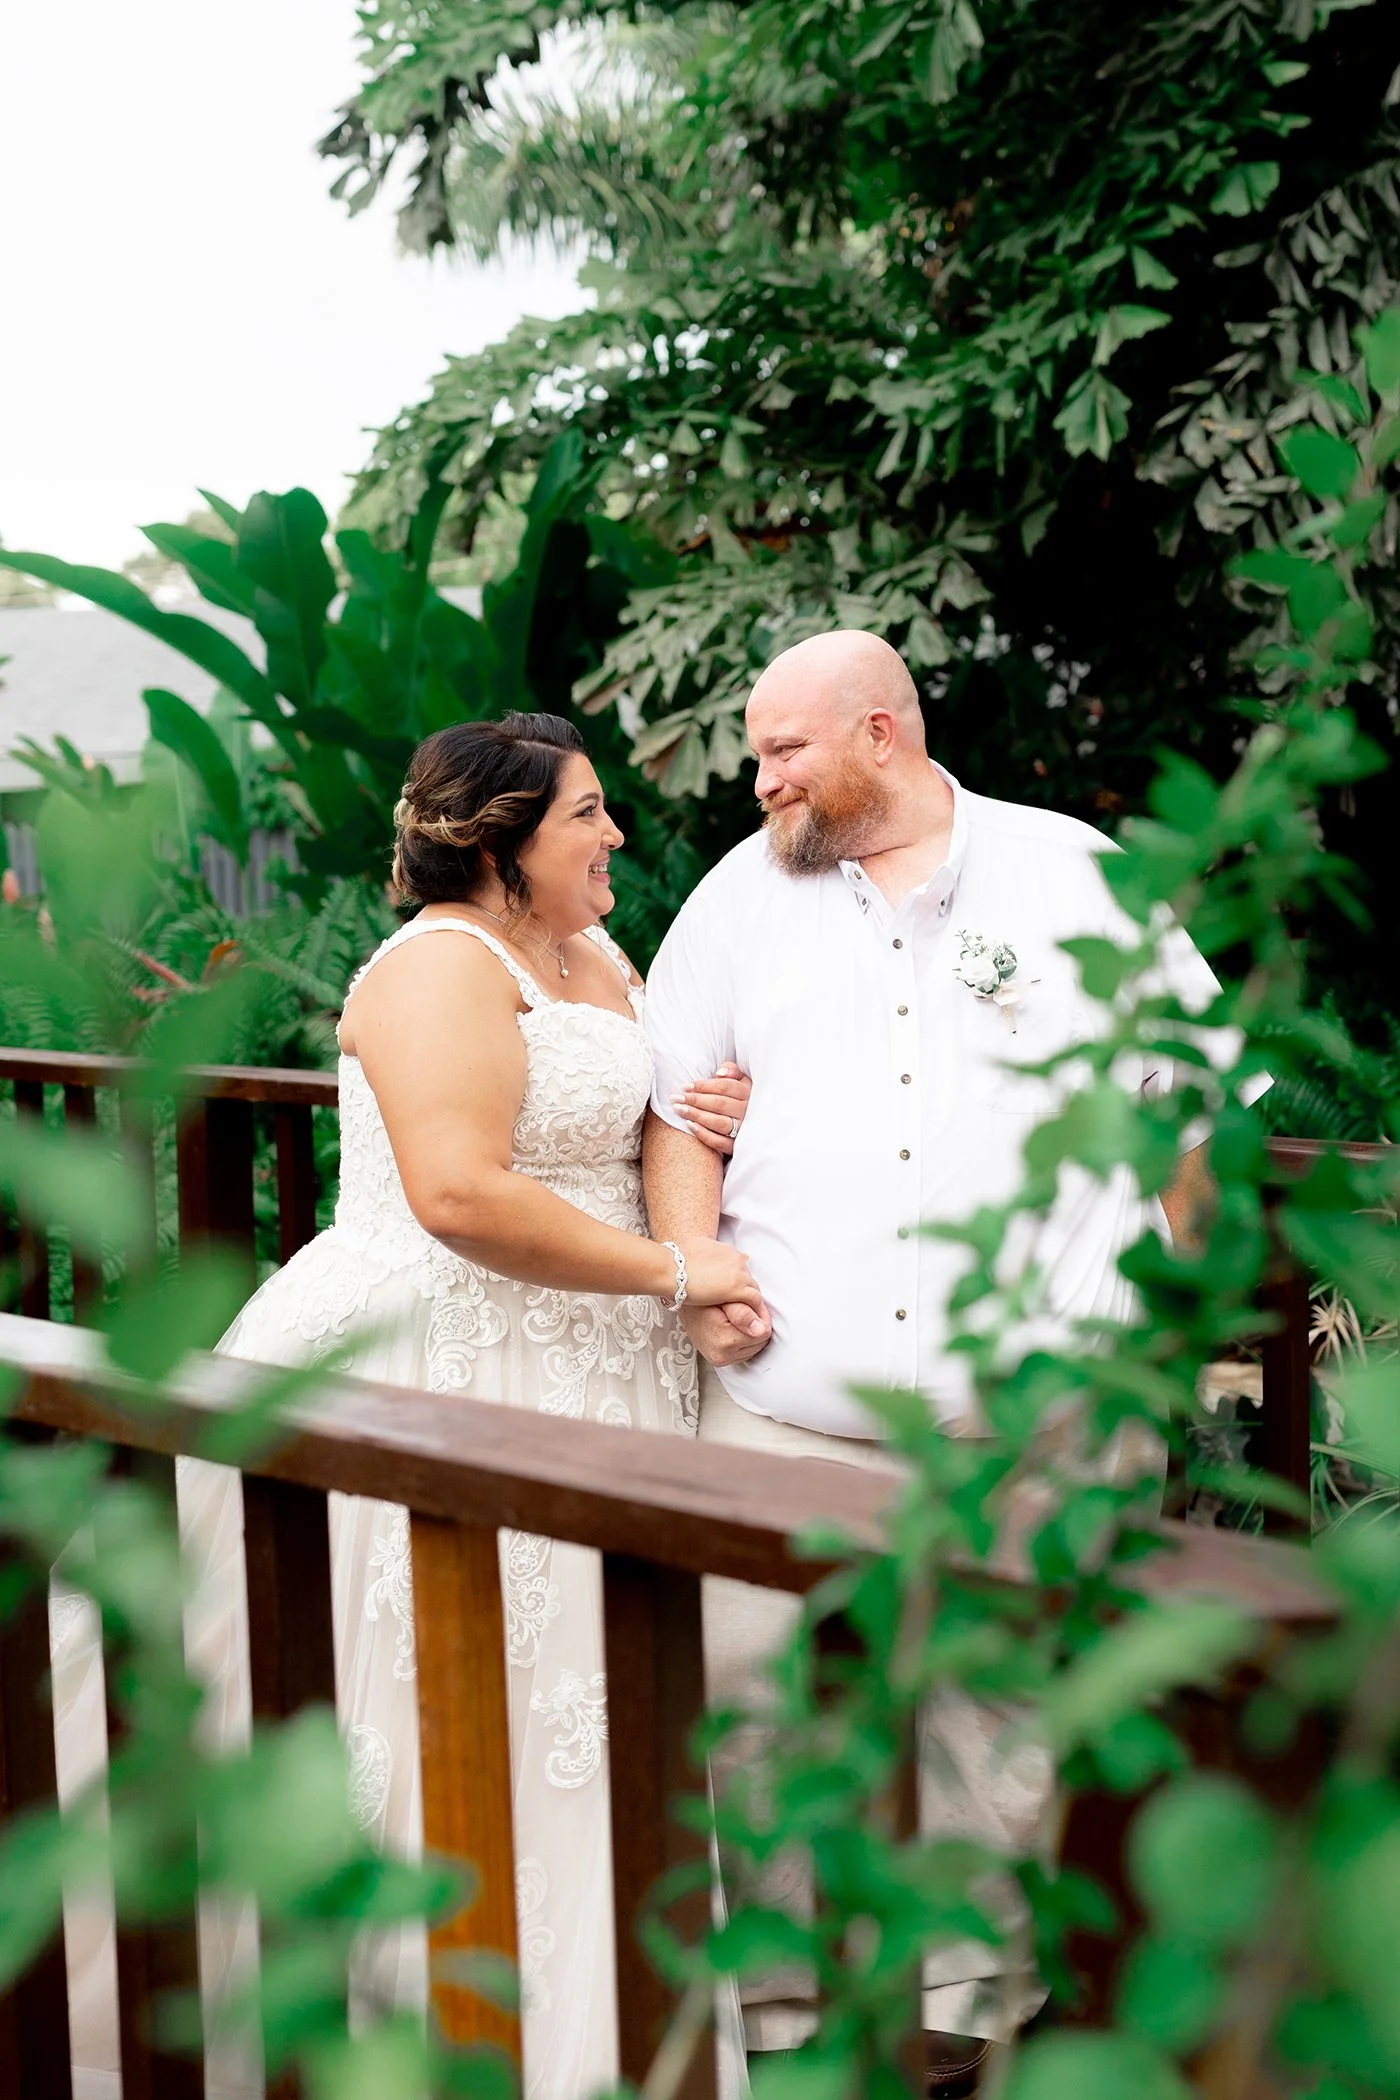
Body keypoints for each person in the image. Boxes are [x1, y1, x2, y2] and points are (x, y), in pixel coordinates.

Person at [56, 712, 763, 2100]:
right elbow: (460, 1195)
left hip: (597, 1371)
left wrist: (707, 1115)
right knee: (441, 1717)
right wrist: (677, 1269)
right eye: (588, 815)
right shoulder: (435, 970)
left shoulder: (591, 956)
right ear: (501, 842)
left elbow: (631, 1113)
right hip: (449, 1366)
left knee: (603, 1727)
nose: (617, 835)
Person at [642, 629, 1264, 2086]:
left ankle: (975, 2027)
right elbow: (678, 1109)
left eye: (783, 750)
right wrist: (696, 1275)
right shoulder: (742, 898)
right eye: (757, 752)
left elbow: (1192, 1118)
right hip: (784, 1408)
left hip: (1037, 1412)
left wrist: (1181, 1317)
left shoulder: (1074, 873)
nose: (759, 780)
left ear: (878, 732)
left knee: (1002, 1719)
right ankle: (780, 2027)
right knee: (745, 1703)